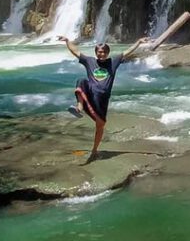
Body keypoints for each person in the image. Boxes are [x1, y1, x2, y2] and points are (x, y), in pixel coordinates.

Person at [57, 35, 150, 163]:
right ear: (96, 53)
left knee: (100, 125)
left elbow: (127, 52)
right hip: (91, 93)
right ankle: (79, 107)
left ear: (107, 53)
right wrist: (67, 41)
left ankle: (94, 150)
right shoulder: (90, 61)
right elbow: (76, 52)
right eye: (99, 52)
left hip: (102, 99)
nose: (102, 54)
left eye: (104, 52)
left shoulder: (113, 62)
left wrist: (138, 41)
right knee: (81, 81)